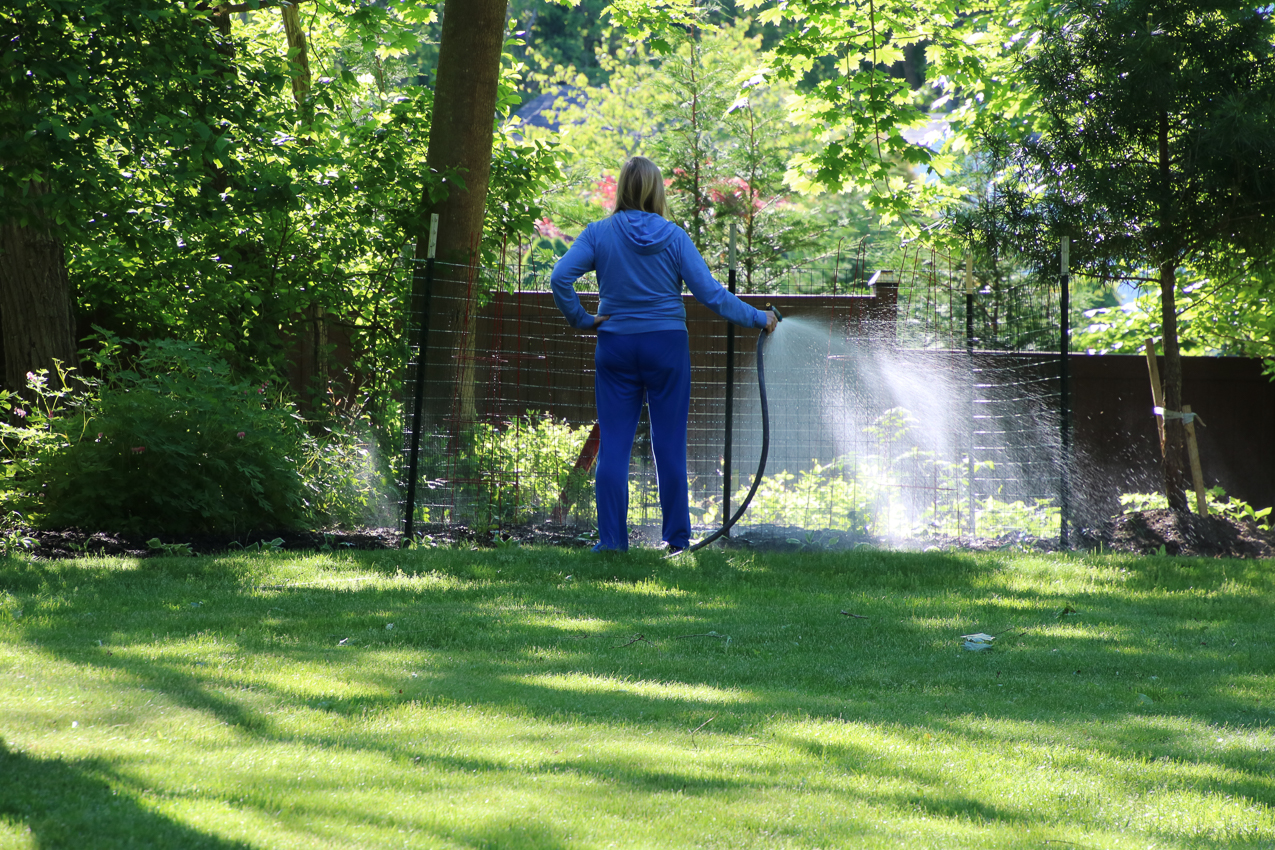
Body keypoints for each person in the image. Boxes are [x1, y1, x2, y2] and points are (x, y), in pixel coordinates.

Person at [551, 156, 778, 553]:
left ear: (622, 188)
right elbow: (711, 294)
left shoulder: (598, 233)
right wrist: (759, 317)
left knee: (614, 448)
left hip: (616, 347)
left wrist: (582, 319)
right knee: (669, 446)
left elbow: (559, 278)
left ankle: (612, 544)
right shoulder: (674, 237)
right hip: (667, 348)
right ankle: (677, 541)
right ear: (657, 190)